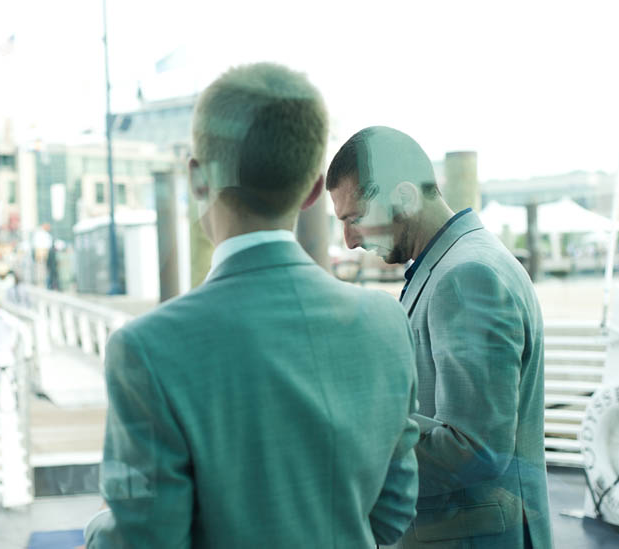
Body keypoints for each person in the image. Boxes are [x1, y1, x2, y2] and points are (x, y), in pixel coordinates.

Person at [84, 64, 419, 548]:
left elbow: (146, 541)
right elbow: (391, 516)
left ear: (198, 180)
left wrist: (99, 529)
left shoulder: (147, 350)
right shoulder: (386, 324)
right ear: (311, 190)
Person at [326, 126, 551, 548]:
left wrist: (352, 441)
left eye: (355, 218)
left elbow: (477, 447)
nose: (349, 241)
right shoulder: (456, 264)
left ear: (406, 197)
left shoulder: (467, 275)